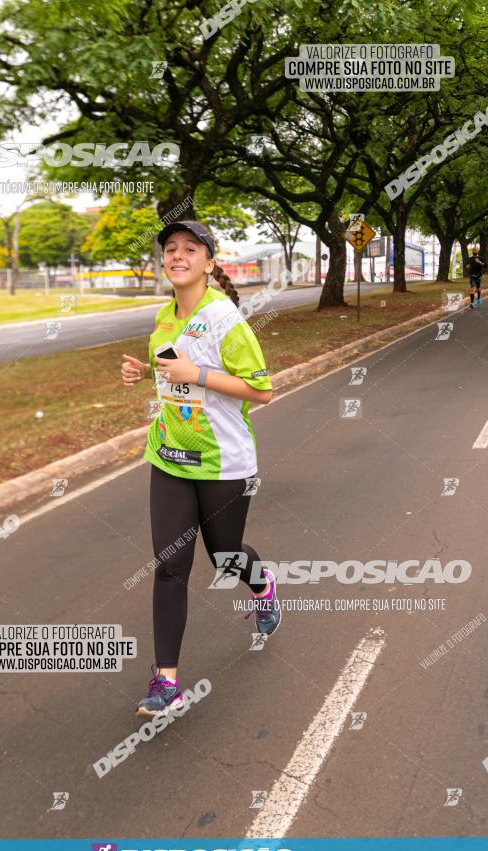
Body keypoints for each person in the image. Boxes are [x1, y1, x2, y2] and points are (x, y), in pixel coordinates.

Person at [121, 220, 280, 718]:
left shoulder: (225, 318)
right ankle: (166, 681)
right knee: (170, 565)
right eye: (170, 248)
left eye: (191, 248)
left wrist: (199, 375)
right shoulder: (164, 318)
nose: (178, 255)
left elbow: (262, 389)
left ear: (209, 263)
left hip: (223, 462)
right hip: (169, 456)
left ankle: (262, 584)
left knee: (226, 557)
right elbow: (174, 375)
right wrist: (144, 371)